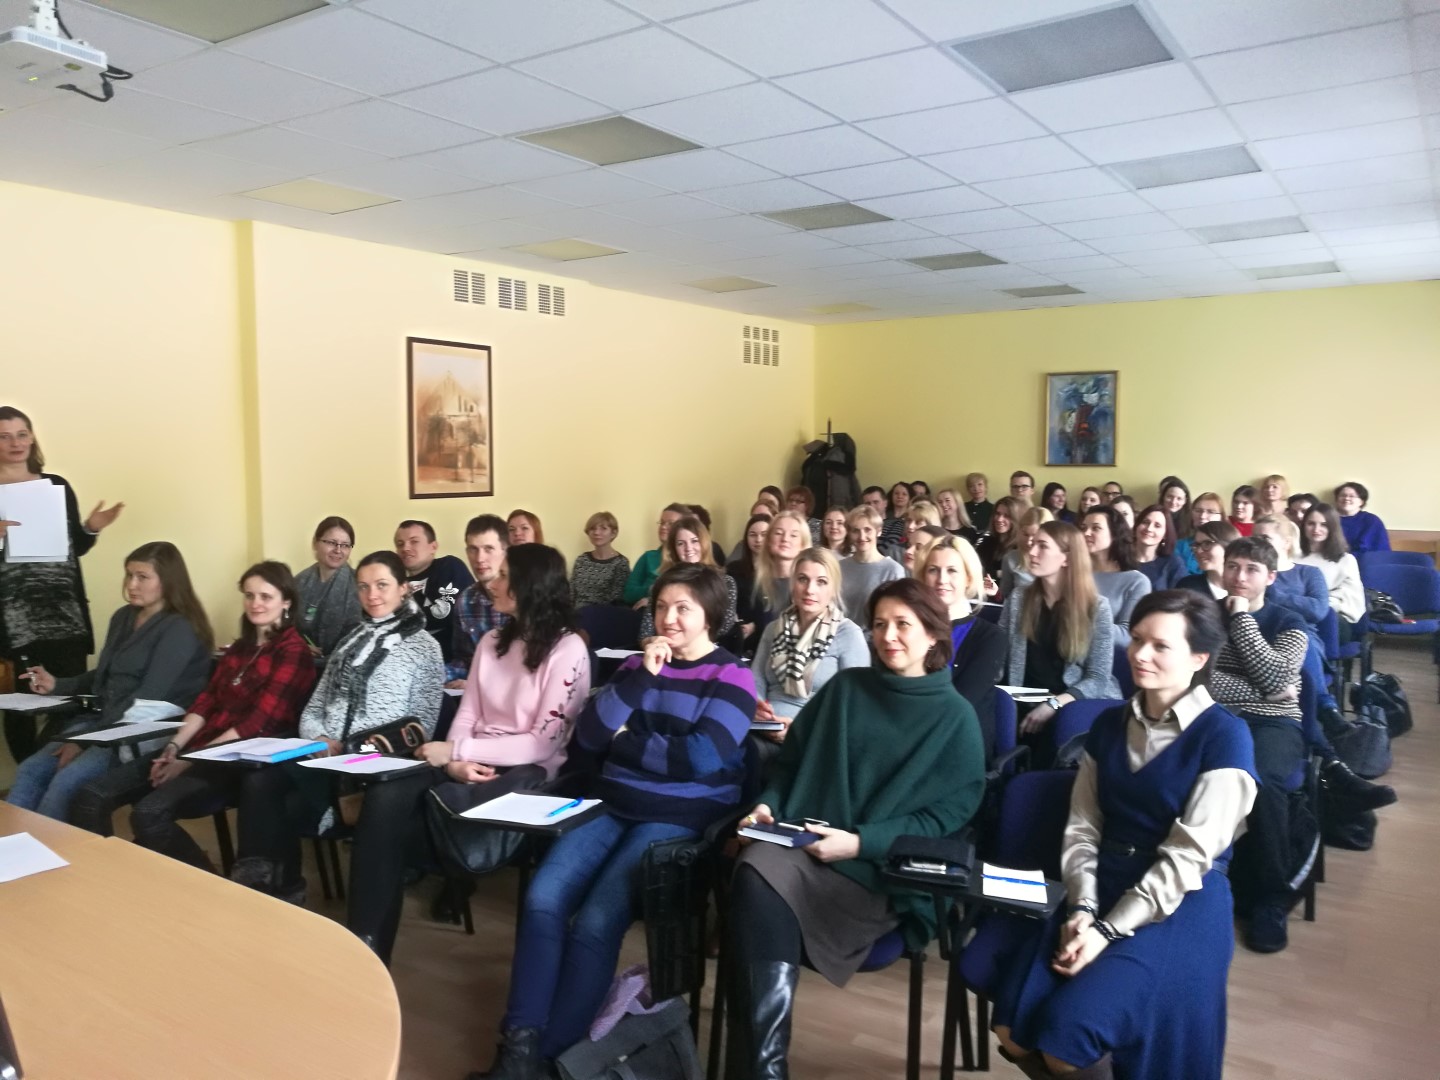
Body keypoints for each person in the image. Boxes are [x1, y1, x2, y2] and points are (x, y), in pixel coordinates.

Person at [471, 564, 754, 1077]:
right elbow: (591, 734)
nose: (668, 618)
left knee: (596, 922)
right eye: (662, 606)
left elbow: (700, 757)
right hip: (613, 803)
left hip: (679, 816)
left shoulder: (732, 675)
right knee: (542, 899)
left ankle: (554, 1059)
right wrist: (643, 678)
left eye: (683, 608)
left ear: (710, 616)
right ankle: (518, 1048)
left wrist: (626, 741)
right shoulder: (636, 666)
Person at [991, 590, 1257, 1080]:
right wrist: (1082, 908)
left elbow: (1187, 858)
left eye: (1160, 645)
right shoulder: (1110, 722)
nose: (1139, 654)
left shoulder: (1224, 735)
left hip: (1181, 897)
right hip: (1103, 881)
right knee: (1012, 1029)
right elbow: (1083, 827)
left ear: (1198, 659)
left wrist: (1107, 932)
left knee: (1066, 1042)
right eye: (1136, 639)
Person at [726, 578, 984, 1079]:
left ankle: (756, 1069)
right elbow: (790, 767)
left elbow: (942, 819)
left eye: (903, 624)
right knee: (755, 868)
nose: (888, 636)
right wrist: (766, 806)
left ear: (934, 634)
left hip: (876, 872)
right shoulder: (846, 689)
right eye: (880, 624)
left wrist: (860, 843)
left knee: (756, 886)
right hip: (804, 844)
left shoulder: (956, 718)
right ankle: (765, 1069)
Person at [349, 544, 591, 964]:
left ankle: (429, 888)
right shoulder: (492, 642)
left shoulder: (568, 649)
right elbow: (468, 714)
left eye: (504, 576)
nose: (492, 582)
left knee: (395, 827)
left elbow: (542, 743)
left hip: (526, 771)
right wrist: (456, 761)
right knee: (385, 796)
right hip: (466, 760)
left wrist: (457, 750)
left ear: (529, 586)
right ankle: (366, 944)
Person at [68, 561, 316, 866]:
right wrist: (174, 747)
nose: (255, 604)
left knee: (148, 814)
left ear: (286, 602)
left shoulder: (293, 651)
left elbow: (257, 723)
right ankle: (102, 878)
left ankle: (206, 881)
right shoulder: (240, 648)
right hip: (197, 749)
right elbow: (206, 702)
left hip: (235, 761)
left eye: (266, 596)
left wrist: (187, 761)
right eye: (249, 595)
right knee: (91, 795)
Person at [230, 551, 445, 903]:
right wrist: (318, 738)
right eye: (363, 586)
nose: (371, 595)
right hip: (323, 753)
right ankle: (271, 888)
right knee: (258, 779)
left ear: (404, 588)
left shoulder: (424, 648)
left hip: (373, 761)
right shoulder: (350, 640)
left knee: (285, 807)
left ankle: (280, 885)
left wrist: (356, 749)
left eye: (382, 585)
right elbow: (316, 704)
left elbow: (422, 725)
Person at [7, 542, 212, 822]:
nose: (131, 584)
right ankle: (12, 844)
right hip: (102, 722)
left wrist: (83, 743)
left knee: (66, 782)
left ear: (167, 581)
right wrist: (57, 684)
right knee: (30, 770)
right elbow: (104, 674)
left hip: (140, 730)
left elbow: (147, 700)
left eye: (142, 577)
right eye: (129, 575)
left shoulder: (180, 628)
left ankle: (47, 847)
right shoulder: (124, 616)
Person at [0, 405, 125, 764]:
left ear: (32, 437)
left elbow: (76, 547)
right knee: (21, 707)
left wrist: (92, 527)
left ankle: (55, 773)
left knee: (71, 702)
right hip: (16, 622)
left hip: (64, 613)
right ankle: (29, 775)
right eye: (4, 437)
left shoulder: (56, 485)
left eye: (22, 434)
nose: (16, 443)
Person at [1207, 539, 1309, 953]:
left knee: (1261, 779)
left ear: (1270, 577)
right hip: (1212, 717)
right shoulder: (1202, 614)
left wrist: (1241, 618)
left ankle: (1271, 898)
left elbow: (1276, 677)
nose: (1239, 577)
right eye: (1233, 566)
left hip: (1275, 722)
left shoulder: (1289, 621)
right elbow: (1196, 679)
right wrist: (1265, 689)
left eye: (1251, 569)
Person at [1000, 521, 1120, 751]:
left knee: (1056, 733)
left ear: (1066, 558)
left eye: (1042, 546)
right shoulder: (1018, 599)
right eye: (1032, 544)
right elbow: (999, 656)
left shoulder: (1096, 608)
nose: (1032, 551)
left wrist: (1054, 704)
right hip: (1021, 697)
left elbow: (1098, 677)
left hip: (1068, 700)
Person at [750, 547, 868, 752]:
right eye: (802, 579)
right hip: (765, 728)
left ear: (833, 589)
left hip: (815, 738)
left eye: (821, 582)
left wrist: (800, 729)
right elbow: (756, 681)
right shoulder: (773, 629)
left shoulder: (848, 634)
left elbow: (856, 704)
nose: (810, 590)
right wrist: (758, 710)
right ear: (792, 583)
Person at [920, 536, 1007, 758]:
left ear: (968, 578)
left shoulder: (990, 637)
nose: (942, 579)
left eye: (952, 571)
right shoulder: (909, 629)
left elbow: (960, 704)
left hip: (958, 749)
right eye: (933, 570)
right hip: (909, 737)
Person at [638, 514, 738, 641]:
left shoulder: (726, 582)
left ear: (705, 543)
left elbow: (723, 627)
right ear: (674, 549)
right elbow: (646, 632)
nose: (688, 548)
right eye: (681, 543)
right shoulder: (663, 583)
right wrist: (651, 643)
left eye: (694, 541)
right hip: (667, 646)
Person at [396, 519, 474, 668]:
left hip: (453, 665)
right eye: (400, 544)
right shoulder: (394, 583)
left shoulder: (449, 567)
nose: (405, 548)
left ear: (433, 547)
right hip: (408, 667)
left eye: (414, 542)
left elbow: (444, 615)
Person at [448, 515, 512, 687]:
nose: (479, 558)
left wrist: (478, 685)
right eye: (473, 549)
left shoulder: (524, 597)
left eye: (488, 549)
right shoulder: (465, 600)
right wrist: (434, 677)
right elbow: (464, 660)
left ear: (506, 551)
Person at [1079, 506, 1152, 645]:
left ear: (1114, 534)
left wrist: (1075, 624)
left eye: (1096, 528)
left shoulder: (1136, 581)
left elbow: (1127, 636)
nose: (1086, 533)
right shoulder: (1073, 572)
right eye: (1083, 528)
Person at [294, 516, 363, 659]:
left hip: (345, 664)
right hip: (302, 661)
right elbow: (286, 626)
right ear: (315, 543)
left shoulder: (360, 583)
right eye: (332, 543)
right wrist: (299, 646)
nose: (338, 550)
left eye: (345, 545)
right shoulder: (299, 581)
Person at [1299, 503, 1365, 630]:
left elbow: (1351, 600)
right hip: (1295, 613)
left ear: (1332, 527)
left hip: (1332, 618)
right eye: (1311, 524)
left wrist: (1314, 606)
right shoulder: (1292, 555)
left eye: (1323, 525)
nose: (1316, 529)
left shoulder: (1346, 560)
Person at [839, 506, 905, 623]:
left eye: (867, 530)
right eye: (855, 531)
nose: (861, 536)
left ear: (878, 531)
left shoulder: (893, 570)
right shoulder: (839, 567)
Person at [622, 503, 688, 606]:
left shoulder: (688, 558)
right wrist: (651, 589)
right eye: (662, 522)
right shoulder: (648, 557)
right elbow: (628, 594)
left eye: (670, 523)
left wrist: (654, 599)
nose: (663, 527)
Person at [753, 510, 810, 629]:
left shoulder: (810, 586)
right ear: (768, 541)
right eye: (778, 533)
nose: (785, 539)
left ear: (803, 544)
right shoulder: (757, 582)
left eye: (793, 535)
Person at [728, 513, 772, 651]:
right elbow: (728, 603)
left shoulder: (778, 571)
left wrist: (755, 625)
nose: (758, 539)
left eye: (764, 535)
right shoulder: (733, 569)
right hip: (737, 632)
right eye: (753, 535)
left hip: (767, 635)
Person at [570, 511, 630, 608]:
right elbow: (571, 593)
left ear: (613, 533)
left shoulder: (620, 563)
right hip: (576, 613)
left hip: (603, 613)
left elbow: (617, 600)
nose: (597, 532)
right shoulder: (582, 560)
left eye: (603, 528)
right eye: (593, 529)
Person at [1176, 521, 1240, 601]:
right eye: (1196, 545)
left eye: (1207, 544)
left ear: (1228, 546)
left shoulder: (1244, 586)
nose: (1198, 551)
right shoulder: (1188, 586)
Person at [1000, 506, 1054, 598]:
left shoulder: (1057, 560)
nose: (1029, 541)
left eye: (1035, 536)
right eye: (1025, 534)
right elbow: (1005, 596)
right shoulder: (1010, 559)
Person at [1133, 504, 1185, 590]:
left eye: (1157, 526)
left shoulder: (1173, 563)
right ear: (1136, 526)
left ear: (1165, 535)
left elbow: (1181, 596)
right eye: (1145, 522)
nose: (1149, 529)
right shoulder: (1120, 558)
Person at [1175, 492, 1225, 575]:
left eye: (1210, 511)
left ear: (1221, 517)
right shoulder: (1180, 546)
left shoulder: (1230, 546)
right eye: (1198, 511)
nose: (1202, 516)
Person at [1333, 481, 1390, 554]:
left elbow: (1375, 551)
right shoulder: (1328, 518)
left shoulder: (1371, 521)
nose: (1346, 498)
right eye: (1343, 495)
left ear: (1361, 502)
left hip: (1364, 559)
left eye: (1352, 496)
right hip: (1330, 558)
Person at [976, 496, 1023, 582]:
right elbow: (975, 569)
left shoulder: (1020, 547)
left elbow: (1016, 576)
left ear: (1016, 518)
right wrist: (998, 573)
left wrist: (993, 573)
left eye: (1006, 516)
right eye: (997, 514)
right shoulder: (986, 542)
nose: (999, 519)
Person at [882, 482, 912, 548]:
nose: (900, 496)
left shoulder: (911, 517)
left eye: (904, 494)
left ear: (910, 497)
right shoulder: (883, 514)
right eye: (896, 493)